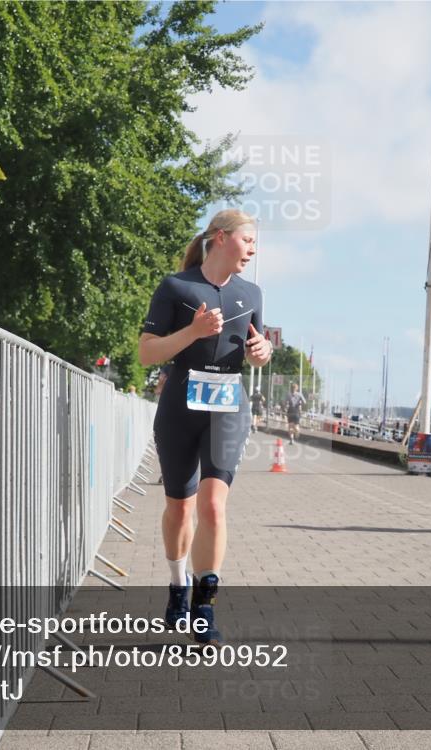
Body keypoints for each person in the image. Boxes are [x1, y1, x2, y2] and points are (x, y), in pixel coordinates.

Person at [138, 208, 272, 648]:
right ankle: (178, 584)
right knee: (180, 507)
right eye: (247, 240)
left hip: (228, 406)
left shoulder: (251, 292)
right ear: (219, 237)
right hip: (180, 403)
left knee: (214, 506)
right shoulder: (176, 287)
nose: (253, 249)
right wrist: (193, 332)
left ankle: (205, 605)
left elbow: (256, 348)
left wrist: (261, 352)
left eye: (255, 243)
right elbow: (147, 353)